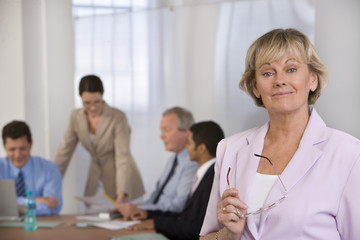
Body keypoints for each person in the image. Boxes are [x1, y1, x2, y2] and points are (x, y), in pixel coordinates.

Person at [200, 28, 360, 240]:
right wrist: (229, 234)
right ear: (256, 87)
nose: (279, 80)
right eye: (268, 73)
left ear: (313, 79)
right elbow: (208, 236)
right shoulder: (230, 148)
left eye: (291, 69)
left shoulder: (348, 153)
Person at [54, 75, 144, 205]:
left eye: (97, 102)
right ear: (81, 99)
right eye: (87, 103)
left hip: (123, 180)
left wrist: (121, 194)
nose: (93, 108)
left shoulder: (117, 117)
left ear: (102, 96)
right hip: (96, 179)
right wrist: (51, 183)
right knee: (91, 221)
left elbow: (122, 157)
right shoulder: (76, 117)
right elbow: (64, 152)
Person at [127, 121, 225, 240]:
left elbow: (198, 227)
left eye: (189, 143)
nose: (186, 147)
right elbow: (186, 215)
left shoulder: (212, 179)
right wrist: (149, 215)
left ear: (201, 148)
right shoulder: (205, 174)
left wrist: (157, 223)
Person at [116, 106, 198, 219]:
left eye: (167, 130)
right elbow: (156, 196)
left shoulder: (192, 163)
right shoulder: (172, 160)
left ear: (186, 133)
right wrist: (136, 207)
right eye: (161, 130)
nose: (161, 136)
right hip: (153, 217)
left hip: (167, 221)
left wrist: (141, 209)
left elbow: (178, 205)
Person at [0, 120, 62, 215]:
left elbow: (53, 206)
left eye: (22, 148)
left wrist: (18, 208)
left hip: (39, 226)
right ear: (4, 147)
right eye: (12, 149)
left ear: (31, 144)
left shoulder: (49, 169)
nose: (17, 155)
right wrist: (35, 201)